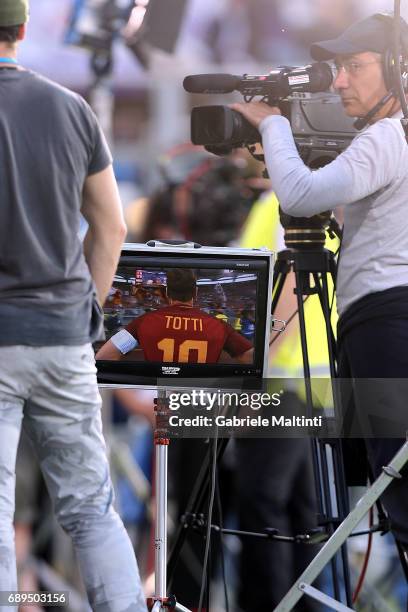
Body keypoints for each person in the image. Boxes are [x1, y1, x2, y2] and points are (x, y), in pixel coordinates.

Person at [232, 13, 408, 565]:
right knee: (393, 478)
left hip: (383, 317)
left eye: (355, 67)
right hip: (382, 316)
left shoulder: (387, 136)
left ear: (398, 69)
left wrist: (272, 124)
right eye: (338, 68)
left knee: (395, 481)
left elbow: (303, 194)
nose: (339, 82)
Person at [0, 2, 146, 610]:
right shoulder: (72, 107)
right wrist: (87, 313)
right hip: (63, 335)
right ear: (23, 30)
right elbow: (110, 227)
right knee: (92, 508)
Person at [96, 269, 254, 364]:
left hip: (152, 391)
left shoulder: (145, 321)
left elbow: (104, 356)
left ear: (166, 293)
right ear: (195, 293)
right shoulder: (218, 325)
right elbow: (251, 358)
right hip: (202, 396)